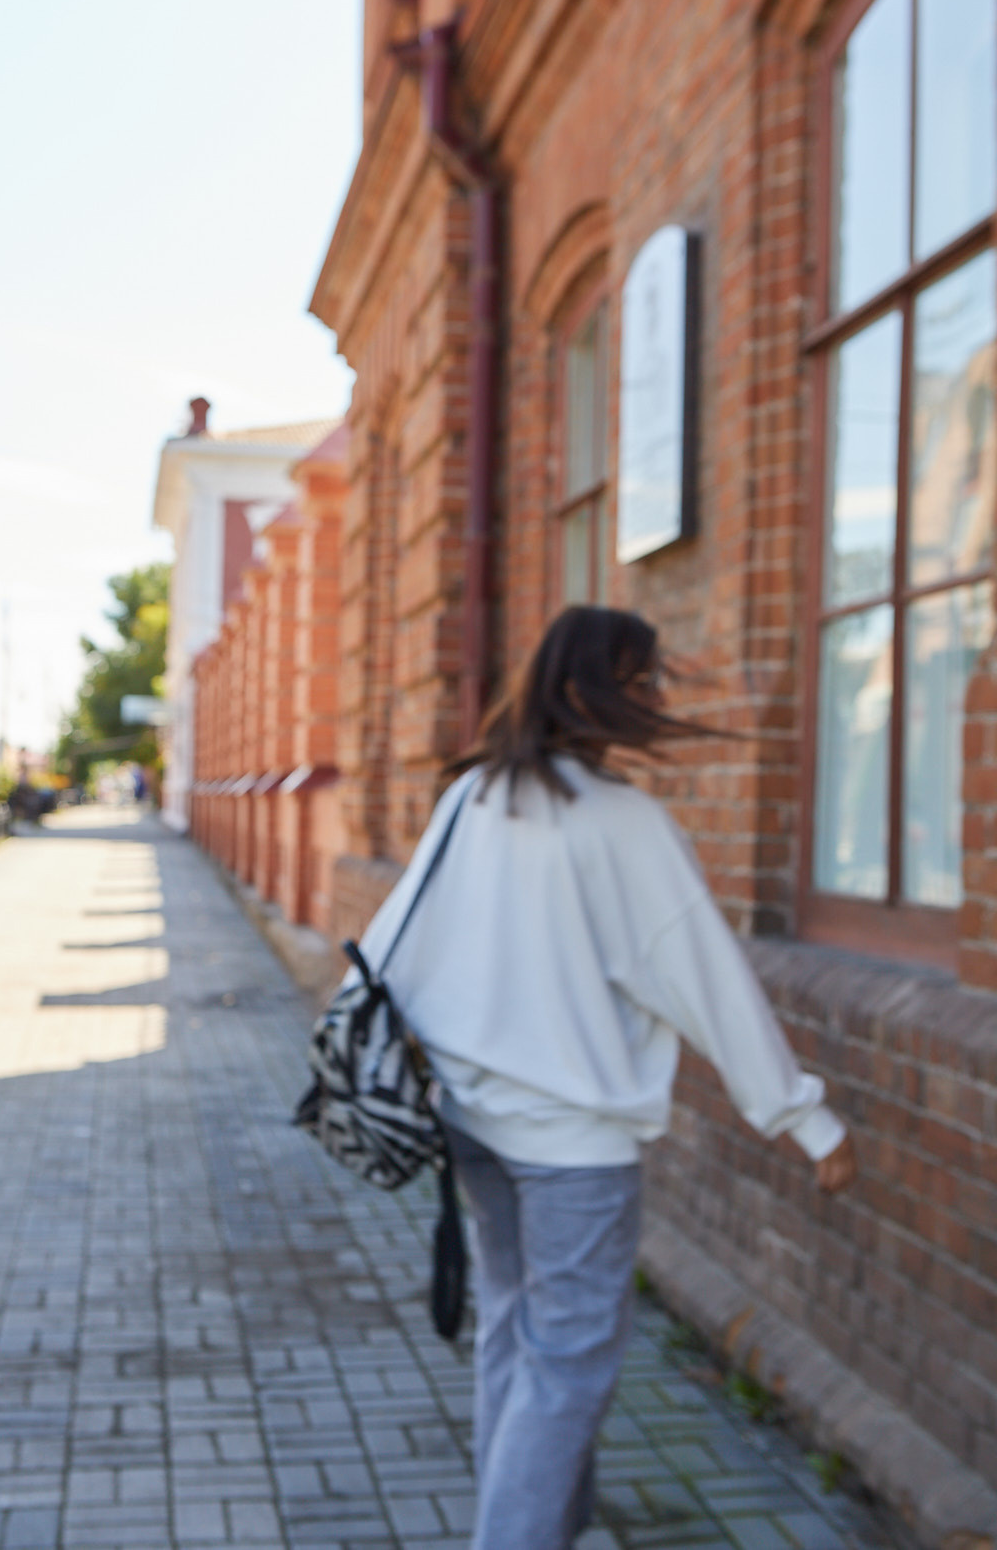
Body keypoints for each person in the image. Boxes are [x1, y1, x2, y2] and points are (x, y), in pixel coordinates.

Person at [354, 605, 856, 1550]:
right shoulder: (622, 822)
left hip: (471, 1121)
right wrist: (806, 1120)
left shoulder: (474, 797)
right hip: (571, 1147)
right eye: (646, 679)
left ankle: (554, 1523)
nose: (660, 697)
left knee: (517, 1331)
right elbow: (706, 978)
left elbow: (396, 941)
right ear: (600, 689)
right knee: (567, 1364)